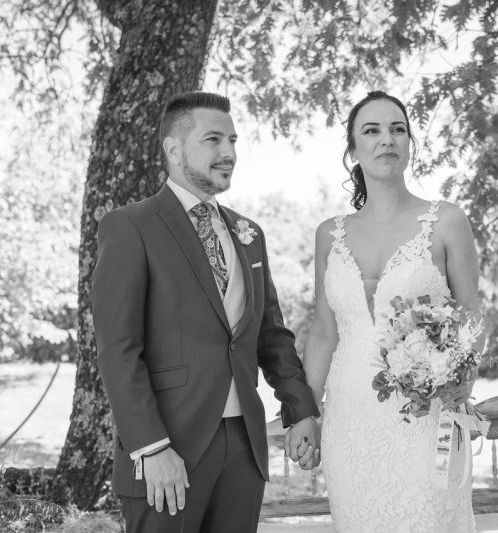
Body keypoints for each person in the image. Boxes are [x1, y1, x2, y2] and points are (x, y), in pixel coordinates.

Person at [93, 91, 321, 533]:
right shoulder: (130, 226)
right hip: (169, 445)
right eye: (213, 139)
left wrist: (301, 409)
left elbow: (271, 336)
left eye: (232, 140)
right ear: (174, 149)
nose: (228, 152)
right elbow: (118, 350)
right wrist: (152, 447)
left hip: (245, 446)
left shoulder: (249, 233)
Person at [302, 91, 483, 532]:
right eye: (372, 130)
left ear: (409, 144)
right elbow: (324, 332)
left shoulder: (446, 221)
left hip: (426, 416)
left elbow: (472, 317)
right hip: (348, 420)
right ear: (353, 149)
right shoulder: (329, 235)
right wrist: (304, 414)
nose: (387, 139)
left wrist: (462, 376)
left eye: (397, 129)